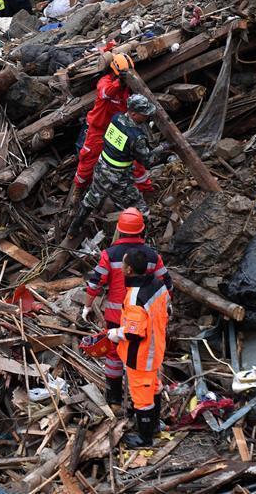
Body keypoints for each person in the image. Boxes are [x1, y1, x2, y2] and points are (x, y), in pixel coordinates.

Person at [82, 208, 171, 411]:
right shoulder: (150, 255)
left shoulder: (109, 254)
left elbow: (95, 283)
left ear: (119, 230)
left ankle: (114, 398)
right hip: (145, 317)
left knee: (114, 356)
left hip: (116, 316)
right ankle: (139, 399)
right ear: (141, 230)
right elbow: (166, 283)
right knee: (139, 359)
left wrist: (87, 306)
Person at [68, 94, 167, 236]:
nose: (147, 117)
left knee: (92, 196)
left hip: (102, 166)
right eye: (143, 114)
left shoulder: (116, 118)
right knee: (140, 208)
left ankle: (74, 227)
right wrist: (162, 147)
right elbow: (148, 161)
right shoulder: (136, 137)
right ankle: (141, 237)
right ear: (133, 113)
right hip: (119, 176)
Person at [106, 250, 172, 447]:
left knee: (142, 397)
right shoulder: (157, 285)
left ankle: (145, 438)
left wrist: (116, 334)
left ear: (129, 269)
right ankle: (154, 425)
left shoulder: (135, 298)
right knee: (153, 387)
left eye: (123, 265)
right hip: (157, 345)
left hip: (140, 355)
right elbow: (167, 309)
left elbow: (135, 333)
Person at [73, 54, 151, 202]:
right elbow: (104, 92)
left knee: (134, 161)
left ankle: (146, 190)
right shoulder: (106, 82)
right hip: (99, 129)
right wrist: (118, 83)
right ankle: (79, 188)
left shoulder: (129, 90)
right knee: (88, 159)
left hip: (118, 130)